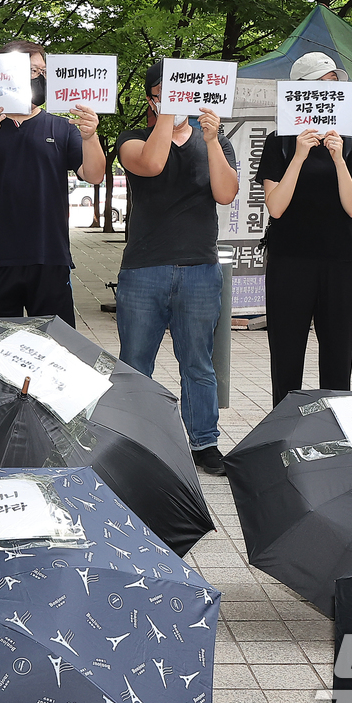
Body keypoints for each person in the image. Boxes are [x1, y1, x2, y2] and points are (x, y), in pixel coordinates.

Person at [115, 61, 239, 476]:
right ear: (150, 99)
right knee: (134, 360)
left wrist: (213, 140)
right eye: (163, 93)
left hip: (201, 268)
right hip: (143, 268)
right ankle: (132, 437)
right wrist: (169, 114)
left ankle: (204, 441)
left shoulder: (214, 139)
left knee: (198, 361)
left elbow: (226, 193)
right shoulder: (132, 138)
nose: (173, 100)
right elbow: (150, 164)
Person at [0, 40, 107, 327]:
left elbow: (94, 175)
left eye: (43, 71)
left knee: (56, 351)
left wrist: (90, 136)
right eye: (32, 69)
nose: (39, 77)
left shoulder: (61, 126)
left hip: (49, 257)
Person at [256, 53, 352, 408]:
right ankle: (283, 435)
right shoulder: (280, 142)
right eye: (321, 85)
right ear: (300, 91)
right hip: (289, 260)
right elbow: (276, 206)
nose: (328, 92)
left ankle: (333, 437)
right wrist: (299, 157)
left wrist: (337, 158)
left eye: (334, 86)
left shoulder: (349, 143)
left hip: (339, 262)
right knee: (286, 358)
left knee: (338, 361)